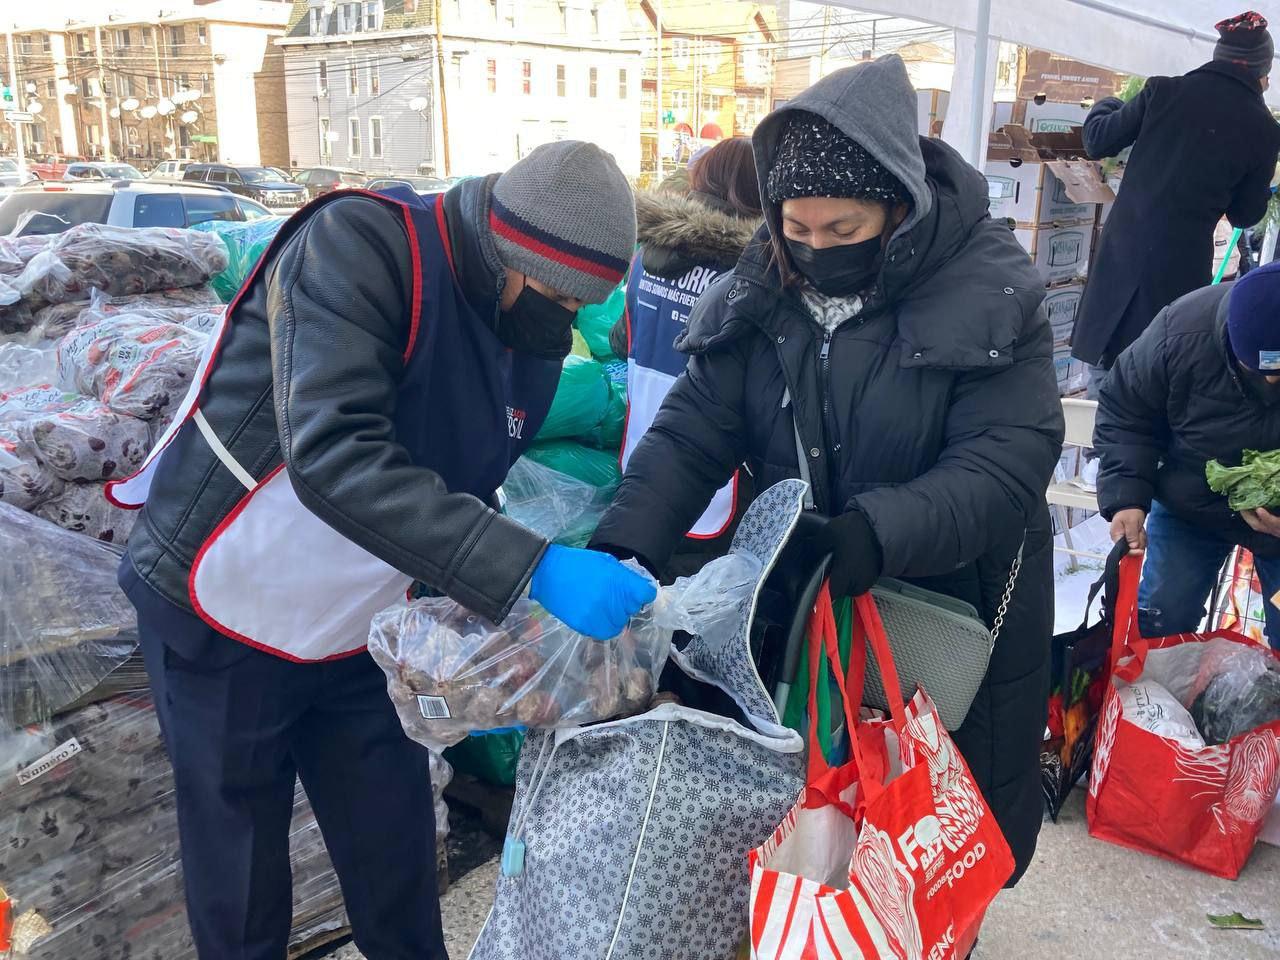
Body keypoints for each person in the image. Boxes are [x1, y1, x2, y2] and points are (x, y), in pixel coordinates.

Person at [112, 142, 653, 959]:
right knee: (243, 874)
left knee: (395, 854)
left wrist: (500, 615)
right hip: (226, 598)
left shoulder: (527, 326)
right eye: (554, 296)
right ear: (508, 252)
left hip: (358, 618)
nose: (562, 320)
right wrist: (528, 567)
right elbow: (335, 455)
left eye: (581, 307)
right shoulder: (363, 246)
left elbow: (466, 471)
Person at [591, 55, 1065, 884]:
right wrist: (626, 544)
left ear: (898, 202)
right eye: (797, 230)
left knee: (926, 834)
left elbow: (1004, 463)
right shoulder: (762, 284)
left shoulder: (991, 292)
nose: (815, 251)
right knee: (813, 825)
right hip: (806, 599)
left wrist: (875, 534)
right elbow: (690, 433)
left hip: (944, 600)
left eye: (842, 232)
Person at [1072, 11, 1280, 385]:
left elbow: (1097, 140)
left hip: (1118, 270)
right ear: (1262, 72)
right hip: (1177, 282)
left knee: (1103, 400)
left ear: (1217, 56)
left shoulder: (1162, 92)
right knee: (1159, 388)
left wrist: (1110, 102)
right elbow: (1246, 215)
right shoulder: (1263, 128)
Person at [1094, 260, 1280, 649]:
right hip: (1190, 505)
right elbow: (1126, 413)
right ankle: (1151, 706)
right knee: (1163, 616)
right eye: (1258, 369)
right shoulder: (1178, 334)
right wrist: (1126, 496)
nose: (1269, 381)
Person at [610, 136, 763, 574]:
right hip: (716, 467)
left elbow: (623, 341)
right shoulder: (748, 273)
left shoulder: (642, 258)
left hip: (644, 447)